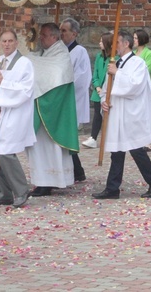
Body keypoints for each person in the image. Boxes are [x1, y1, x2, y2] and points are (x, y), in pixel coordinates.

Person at [92, 31, 151, 200]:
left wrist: (117, 73)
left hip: (130, 113)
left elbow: (134, 86)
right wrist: (104, 99)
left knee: (136, 149)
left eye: (116, 43)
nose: (113, 46)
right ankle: (112, 188)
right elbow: (106, 87)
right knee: (117, 151)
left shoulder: (137, 63)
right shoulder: (116, 63)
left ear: (126, 43)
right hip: (117, 112)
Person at [0, 30, 36, 208]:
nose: (6, 44)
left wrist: (3, 84)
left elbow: (25, 89)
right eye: (3, 41)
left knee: (5, 151)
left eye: (10, 41)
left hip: (14, 112)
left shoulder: (24, 63)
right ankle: (3, 192)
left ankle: (21, 190)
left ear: (16, 43)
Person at [25, 23, 79, 196]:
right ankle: (43, 181)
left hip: (52, 110)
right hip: (43, 106)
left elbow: (50, 77)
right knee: (40, 148)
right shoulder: (46, 53)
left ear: (54, 38)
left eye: (44, 35)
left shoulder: (61, 55)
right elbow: (38, 66)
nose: (41, 38)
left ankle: (48, 182)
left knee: (50, 149)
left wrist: (30, 62)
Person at [60, 18, 91, 182]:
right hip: (61, 99)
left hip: (71, 99)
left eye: (65, 31)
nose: (61, 34)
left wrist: (64, 87)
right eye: (60, 30)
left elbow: (82, 78)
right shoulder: (60, 50)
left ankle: (77, 171)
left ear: (74, 33)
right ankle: (77, 170)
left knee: (67, 136)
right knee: (64, 137)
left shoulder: (80, 51)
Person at [83, 32, 115, 149]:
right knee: (97, 114)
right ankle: (93, 137)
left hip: (109, 91)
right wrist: (97, 86)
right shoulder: (99, 56)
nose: (99, 43)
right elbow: (95, 73)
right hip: (99, 91)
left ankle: (109, 137)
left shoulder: (114, 58)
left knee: (109, 115)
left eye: (102, 41)